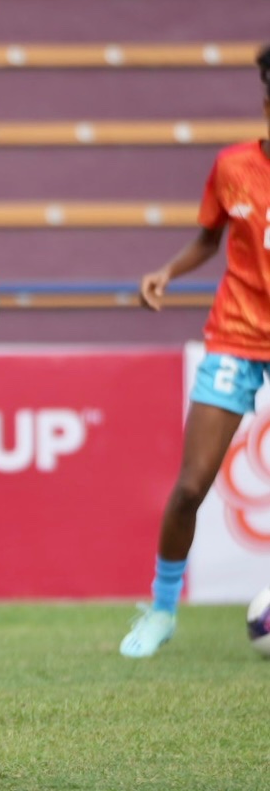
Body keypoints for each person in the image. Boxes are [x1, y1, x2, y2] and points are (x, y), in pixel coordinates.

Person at [120, 43, 270, 658]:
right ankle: (160, 610)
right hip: (236, 334)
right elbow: (210, 236)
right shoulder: (233, 167)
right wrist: (168, 271)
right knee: (190, 487)